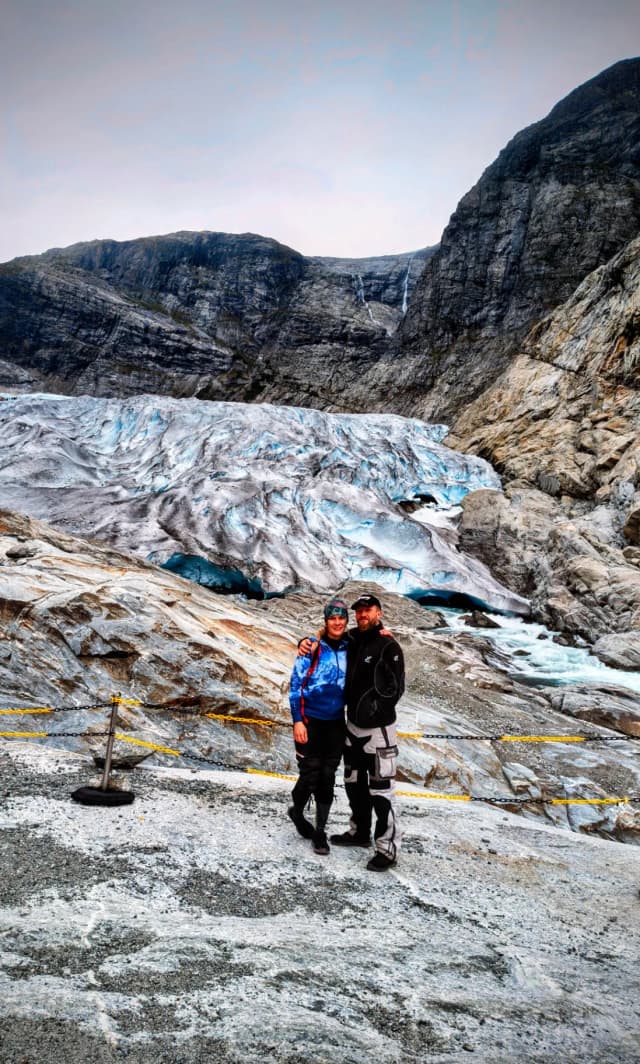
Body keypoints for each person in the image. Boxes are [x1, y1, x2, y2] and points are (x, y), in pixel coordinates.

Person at [300, 593, 405, 872]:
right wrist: (305, 641)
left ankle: (387, 848)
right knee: (354, 784)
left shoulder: (388, 645)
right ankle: (360, 832)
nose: (362, 615)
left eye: (368, 610)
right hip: (353, 728)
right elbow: (328, 635)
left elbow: (396, 689)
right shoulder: (353, 639)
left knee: (381, 791)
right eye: (358, 611)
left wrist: (374, 710)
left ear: (379, 613)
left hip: (379, 731)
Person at [288, 598, 349, 855]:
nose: (337, 622)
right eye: (332, 618)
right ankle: (297, 811)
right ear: (326, 621)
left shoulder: (350, 647)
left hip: (336, 723)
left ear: (346, 620)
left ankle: (320, 831)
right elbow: (295, 686)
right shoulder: (312, 648)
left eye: (341, 618)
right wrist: (297, 720)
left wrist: (383, 632)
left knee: (327, 776)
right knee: (310, 774)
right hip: (310, 721)